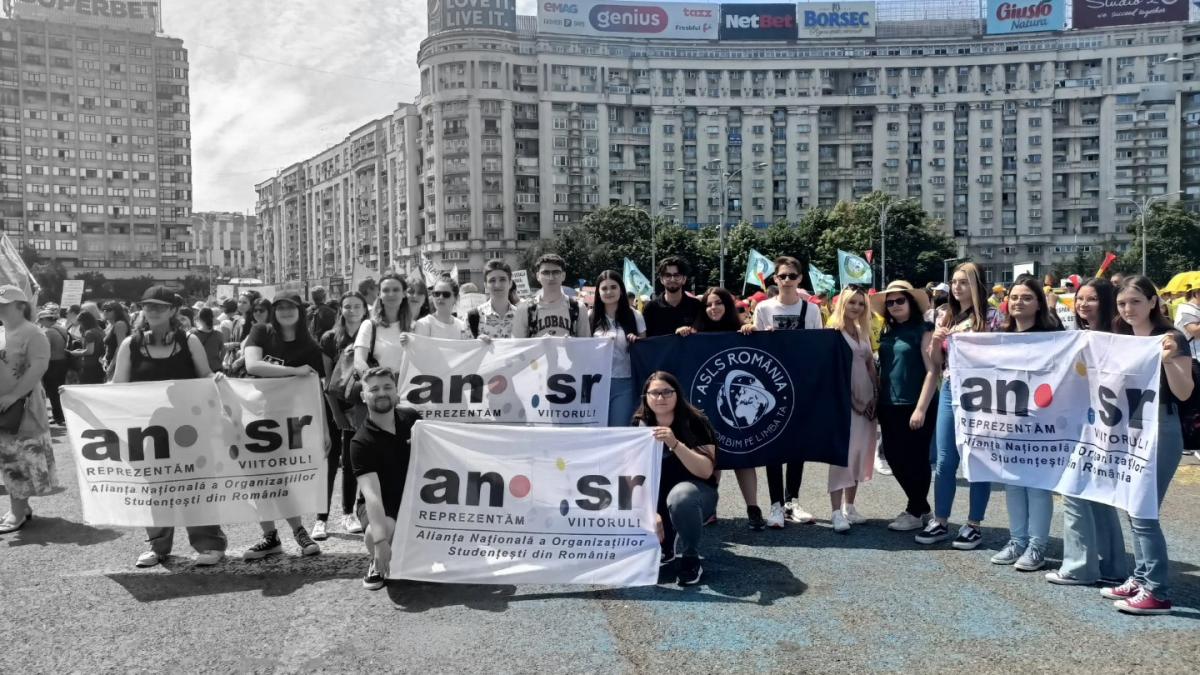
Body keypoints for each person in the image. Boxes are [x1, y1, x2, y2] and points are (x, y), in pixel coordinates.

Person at [108, 286, 226, 565]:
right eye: (148, 305)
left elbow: (205, 374)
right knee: (156, 488)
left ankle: (210, 544)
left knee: (196, 484)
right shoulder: (131, 345)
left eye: (160, 306)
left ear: (173, 310)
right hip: (149, 432)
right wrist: (80, 397)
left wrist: (216, 378)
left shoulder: (189, 341)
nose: (153, 310)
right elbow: (117, 386)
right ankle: (158, 546)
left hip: (190, 428)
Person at [1102, 276, 1193, 614]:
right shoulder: (1122, 338)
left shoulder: (1171, 338)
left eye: (1136, 302)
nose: (1128, 309)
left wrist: (1167, 360)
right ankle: (1141, 578)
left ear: (1153, 302)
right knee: (1132, 506)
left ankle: (1157, 591)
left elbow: (1184, 392)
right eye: (1122, 303)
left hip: (1161, 428)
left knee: (1143, 510)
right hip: (1129, 427)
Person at [1047, 278, 1128, 585]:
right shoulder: (1081, 336)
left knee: (1074, 491)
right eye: (1079, 298)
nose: (1082, 304)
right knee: (1098, 495)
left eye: (1091, 299)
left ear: (1106, 301)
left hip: (1103, 424)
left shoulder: (1116, 338)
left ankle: (1079, 567)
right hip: (1086, 421)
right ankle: (1113, 566)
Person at [241, 292, 325, 560]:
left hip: (289, 421)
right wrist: (294, 371)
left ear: (300, 311)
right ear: (273, 312)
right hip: (254, 416)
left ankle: (299, 531)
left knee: (280, 478)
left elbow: (316, 391)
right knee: (257, 478)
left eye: (291, 307)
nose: (286, 312)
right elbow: (253, 365)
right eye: (280, 307)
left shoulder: (310, 347)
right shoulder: (261, 331)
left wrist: (323, 430)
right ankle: (270, 536)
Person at [741, 257, 822, 529]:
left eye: (792, 275)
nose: (787, 280)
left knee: (797, 443)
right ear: (775, 279)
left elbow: (818, 346)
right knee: (773, 443)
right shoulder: (764, 307)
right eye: (782, 276)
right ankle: (775, 503)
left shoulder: (811, 310)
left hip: (799, 383)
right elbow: (756, 347)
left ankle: (792, 501)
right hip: (771, 385)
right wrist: (754, 331)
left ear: (800, 279)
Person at [918, 262, 993, 549]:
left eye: (964, 282)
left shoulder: (992, 316)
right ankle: (941, 520)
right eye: (955, 281)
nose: (958, 287)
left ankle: (974, 524)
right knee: (945, 459)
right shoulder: (944, 315)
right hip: (951, 387)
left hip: (983, 392)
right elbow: (936, 363)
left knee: (978, 458)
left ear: (977, 285)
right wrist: (936, 342)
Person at [676, 287, 765, 530]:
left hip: (738, 411)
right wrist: (683, 333)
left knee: (743, 458)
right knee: (710, 458)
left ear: (727, 305)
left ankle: (753, 508)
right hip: (707, 408)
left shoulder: (741, 331)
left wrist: (752, 331)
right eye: (708, 304)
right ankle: (709, 508)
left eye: (718, 303)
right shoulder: (695, 334)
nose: (713, 308)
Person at [990, 276, 1062, 572]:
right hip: (1009, 419)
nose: (1019, 302)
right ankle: (1017, 541)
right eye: (1015, 297)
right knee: (1013, 484)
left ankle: (1037, 546)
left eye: (1027, 297)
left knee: (1038, 486)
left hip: (1041, 422)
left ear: (1039, 304)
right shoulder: (1001, 335)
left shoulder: (1052, 336)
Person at [633, 371, 718, 586]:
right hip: (657, 496)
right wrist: (648, 511)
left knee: (681, 497)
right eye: (654, 393)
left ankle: (690, 557)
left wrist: (675, 444)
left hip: (695, 494)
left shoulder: (696, 421)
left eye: (667, 392)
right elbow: (631, 473)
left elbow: (705, 470)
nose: (660, 398)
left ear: (677, 394)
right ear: (646, 397)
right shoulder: (638, 424)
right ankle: (665, 544)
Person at [349, 366, 422, 590]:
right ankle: (377, 561)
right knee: (376, 533)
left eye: (387, 387)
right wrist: (380, 542)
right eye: (374, 389)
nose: (382, 393)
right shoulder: (360, 442)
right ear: (364, 396)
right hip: (382, 502)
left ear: (396, 392)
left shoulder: (412, 419)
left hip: (415, 497)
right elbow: (372, 495)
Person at [873, 281, 938, 532]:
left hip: (916, 402)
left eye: (900, 300)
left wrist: (921, 408)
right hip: (888, 403)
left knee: (916, 459)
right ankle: (922, 508)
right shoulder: (887, 332)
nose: (894, 305)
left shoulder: (924, 329)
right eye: (890, 302)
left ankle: (915, 510)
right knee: (893, 457)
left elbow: (932, 371)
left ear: (911, 302)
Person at [0, 286, 57, 534]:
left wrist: (14, 395)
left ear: (21, 305)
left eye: (4, 303)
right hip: (5, 405)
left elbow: (39, 366)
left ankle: (17, 511)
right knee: (10, 457)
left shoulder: (33, 333)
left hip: (22, 407)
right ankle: (21, 507)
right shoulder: (2, 331)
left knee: (16, 458)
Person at [825, 286, 878, 532]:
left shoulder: (862, 330)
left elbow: (869, 366)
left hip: (867, 404)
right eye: (852, 302)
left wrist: (874, 396)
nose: (856, 307)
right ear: (842, 303)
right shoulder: (833, 333)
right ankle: (835, 512)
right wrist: (853, 401)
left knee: (859, 454)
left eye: (861, 303)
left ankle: (850, 507)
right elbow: (831, 373)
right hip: (844, 404)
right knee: (841, 456)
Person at [318, 291, 370, 539]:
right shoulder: (330, 338)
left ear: (365, 309)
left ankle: (348, 513)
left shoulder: (370, 334)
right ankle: (321, 518)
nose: (352, 311)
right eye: (347, 306)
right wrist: (336, 413)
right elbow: (327, 381)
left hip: (360, 405)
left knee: (351, 461)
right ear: (341, 310)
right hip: (334, 405)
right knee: (330, 460)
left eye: (357, 306)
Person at [590, 270, 646, 427]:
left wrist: (636, 341)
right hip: (595, 384)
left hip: (625, 383)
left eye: (613, 287)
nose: (609, 292)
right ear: (598, 292)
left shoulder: (635, 316)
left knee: (618, 429)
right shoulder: (590, 316)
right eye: (604, 288)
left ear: (621, 290)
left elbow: (644, 349)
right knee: (596, 430)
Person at [511, 254, 589, 338]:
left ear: (563, 276)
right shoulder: (525, 309)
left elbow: (586, 344)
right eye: (545, 273)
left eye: (556, 272)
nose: (551, 277)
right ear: (538, 276)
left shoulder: (578, 308)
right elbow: (517, 344)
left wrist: (570, 343)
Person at [355, 273, 413, 376]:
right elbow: (359, 361)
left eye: (396, 290)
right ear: (379, 294)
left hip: (409, 384)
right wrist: (374, 382)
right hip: (378, 384)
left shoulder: (414, 327)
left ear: (404, 294)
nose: (391, 294)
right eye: (386, 290)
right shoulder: (369, 326)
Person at [642, 256, 704, 337]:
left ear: (684, 279)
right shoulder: (651, 308)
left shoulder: (696, 306)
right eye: (668, 275)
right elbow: (644, 339)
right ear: (661, 279)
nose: (672, 279)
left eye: (676, 275)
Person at [468, 259, 519, 339]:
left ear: (510, 283)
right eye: (492, 280)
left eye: (502, 279)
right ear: (485, 285)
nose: (497, 285)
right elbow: (465, 346)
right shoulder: (473, 317)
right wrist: (476, 343)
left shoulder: (522, 317)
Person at [37, 308, 70, 425]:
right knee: (60, 391)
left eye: (41, 320)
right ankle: (61, 415)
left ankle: (58, 417)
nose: (40, 323)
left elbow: (45, 350)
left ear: (46, 319)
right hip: (63, 362)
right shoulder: (62, 328)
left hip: (53, 364)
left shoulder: (49, 332)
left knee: (53, 392)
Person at [70, 311, 107, 385]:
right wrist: (80, 350)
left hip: (90, 366)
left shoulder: (89, 333)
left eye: (80, 323)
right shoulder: (100, 330)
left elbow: (90, 351)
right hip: (99, 365)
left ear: (84, 322)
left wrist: (75, 353)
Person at [101, 300, 130, 379]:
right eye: (104, 309)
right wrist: (105, 359)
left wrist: (111, 366)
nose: (105, 311)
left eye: (109, 309)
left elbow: (121, 347)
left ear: (117, 311)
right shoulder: (110, 325)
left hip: (118, 365)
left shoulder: (120, 324)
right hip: (109, 363)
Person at [191, 307, 225, 375]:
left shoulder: (192, 334)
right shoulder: (219, 335)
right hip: (216, 368)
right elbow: (223, 351)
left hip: (198, 370)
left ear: (199, 319)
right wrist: (219, 362)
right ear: (213, 318)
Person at [1173, 285, 1200, 358]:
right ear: (1197, 293)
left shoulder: (1196, 308)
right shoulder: (1187, 310)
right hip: (1193, 356)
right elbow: (1195, 332)